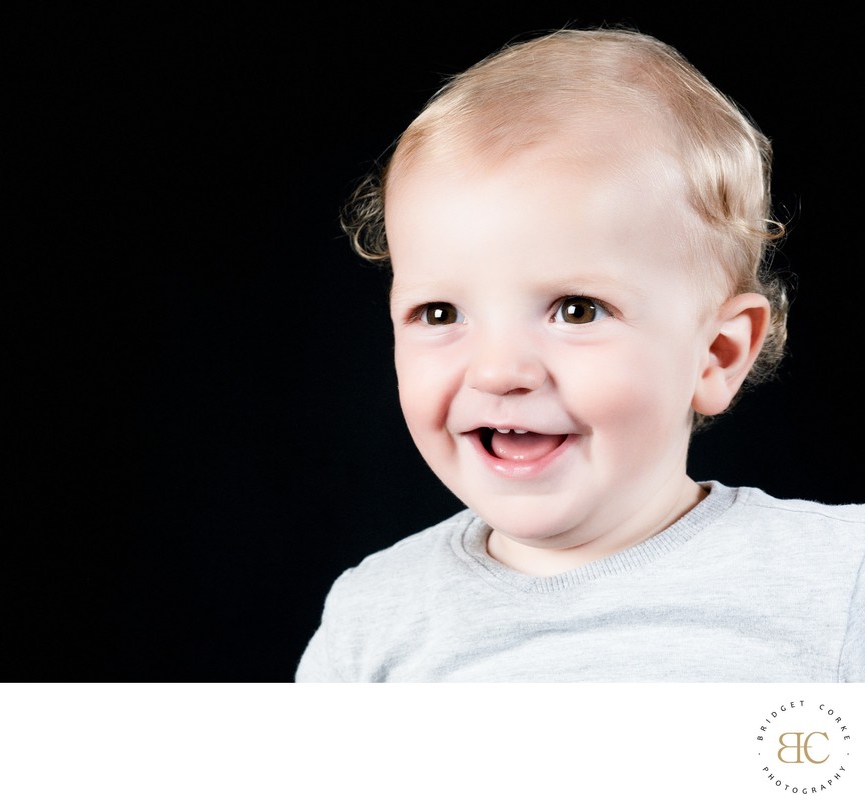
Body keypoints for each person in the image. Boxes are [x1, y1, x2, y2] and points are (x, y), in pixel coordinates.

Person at [295, 25, 865, 682]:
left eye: (576, 309)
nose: (500, 370)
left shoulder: (833, 578)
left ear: (716, 353)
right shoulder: (375, 615)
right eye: (441, 312)